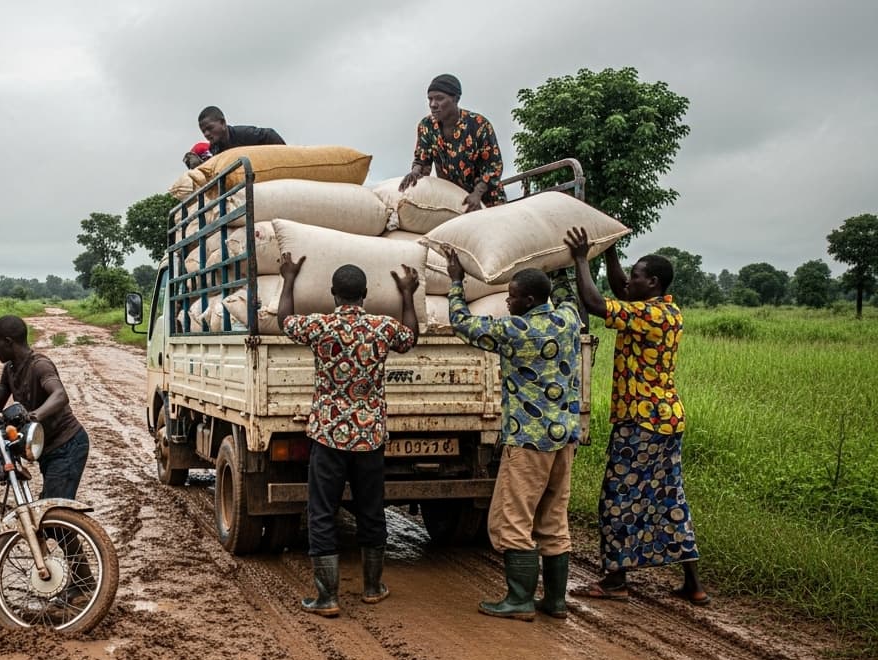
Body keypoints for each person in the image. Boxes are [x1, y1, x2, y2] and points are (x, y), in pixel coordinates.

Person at [566, 227, 708, 605]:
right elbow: (620, 291)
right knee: (668, 498)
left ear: (654, 283)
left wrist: (582, 259)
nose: (631, 279)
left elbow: (598, 306)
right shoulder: (665, 310)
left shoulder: (649, 316)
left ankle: (614, 582)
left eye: (638, 275)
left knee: (618, 498)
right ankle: (693, 584)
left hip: (642, 424)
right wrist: (610, 253)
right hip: (666, 421)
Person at [443, 241, 582, 621]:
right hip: (564, 438)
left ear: (531, 299)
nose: (507, 302)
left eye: (513, 296)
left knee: (513, 519)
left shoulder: (515, 330)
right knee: (554, 519)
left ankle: (519, 599)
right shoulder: (568, 320)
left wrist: (456, 282)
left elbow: (463, 324)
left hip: (527, 441)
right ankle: (554, 601)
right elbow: (569, 296)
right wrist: (563, 263)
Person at [277, 255, 420, 618]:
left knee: (322, 511)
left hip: (327, 434)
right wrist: (407, 294)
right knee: (372, 510)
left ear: (333, 294)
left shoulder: (320, 326)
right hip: (370, 435)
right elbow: (411, 337)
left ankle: (327, 597)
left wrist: (290, 278)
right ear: (365, 295)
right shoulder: (381, 327)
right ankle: (373, 588)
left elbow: (284, 321)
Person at [0, 315, 88, 500]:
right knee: (48, 505)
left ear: (8, 342)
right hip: (46, 449)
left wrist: (33, 416)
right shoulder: (9, 369)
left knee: (54, 510)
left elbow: (60, 395)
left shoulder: (39, 365)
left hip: (67, 445)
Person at [398, 74, 504, 211]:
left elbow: (494, 167)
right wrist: (414, 172)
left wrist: (477, 194)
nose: (433, 104)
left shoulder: (479, 125)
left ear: (456, 99)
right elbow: (422, 160)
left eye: (439, 98)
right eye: (430, 99)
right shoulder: (426, 126)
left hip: (487, 198)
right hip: (454, 199)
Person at [197, 106, 285, 156]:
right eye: (203, 131)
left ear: (223, 123)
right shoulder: (214, 149)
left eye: (210, 128)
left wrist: (284, 156)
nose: (206, 134)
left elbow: (269, 134)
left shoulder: (244, 134)